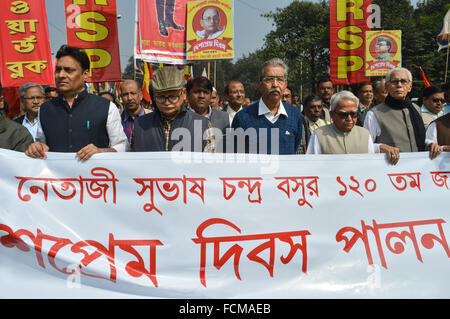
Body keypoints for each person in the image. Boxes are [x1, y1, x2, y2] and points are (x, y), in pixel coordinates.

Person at [25, 45, 127, 161]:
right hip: (57, 177)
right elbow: (41, 144)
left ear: (85, 74)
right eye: (58, 70)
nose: (61, 75)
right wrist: (37, 148)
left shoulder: (106, 107)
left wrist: (101, 151)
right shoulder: (45, 109)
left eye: (69, 70)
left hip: (96, 176)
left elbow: (122, 146)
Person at [131, 66, 215, 152]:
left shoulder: (202, 124)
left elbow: (209, 162)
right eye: (160, 97)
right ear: (153, 96)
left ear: (184, 94)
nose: (167, 103)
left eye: (173, 97)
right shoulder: (140, 125)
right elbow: (133, 161)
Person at [231, 58, 302, 154]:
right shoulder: (243, 117)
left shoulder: (295, 115)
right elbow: (237, 154)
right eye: (269, 79)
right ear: (259, 84)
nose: (275, 84)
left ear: (285, 84)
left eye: (280, 79)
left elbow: (295, 146)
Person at [364, 67, 426, 164]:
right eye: (394, 81)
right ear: (387, 86)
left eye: (403, 81)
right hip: (391, 171)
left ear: (410, 86)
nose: (399, 85)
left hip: (418, 169)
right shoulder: (374, 114)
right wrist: (380, 147)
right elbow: (366, 146)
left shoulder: (416, 109)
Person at [307, 91, 376, 155]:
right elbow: (312, 163)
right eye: (343, 114)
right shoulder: (319, 135)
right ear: (332, 114)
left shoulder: (365, 135)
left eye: (353, 114)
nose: (349, 119)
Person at [120, 79, 151, 144]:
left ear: (141, 95)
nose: (129, 98)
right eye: (125, 94)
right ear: (121, 98)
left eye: (133, 93)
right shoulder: (116, 119)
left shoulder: (153, 117)